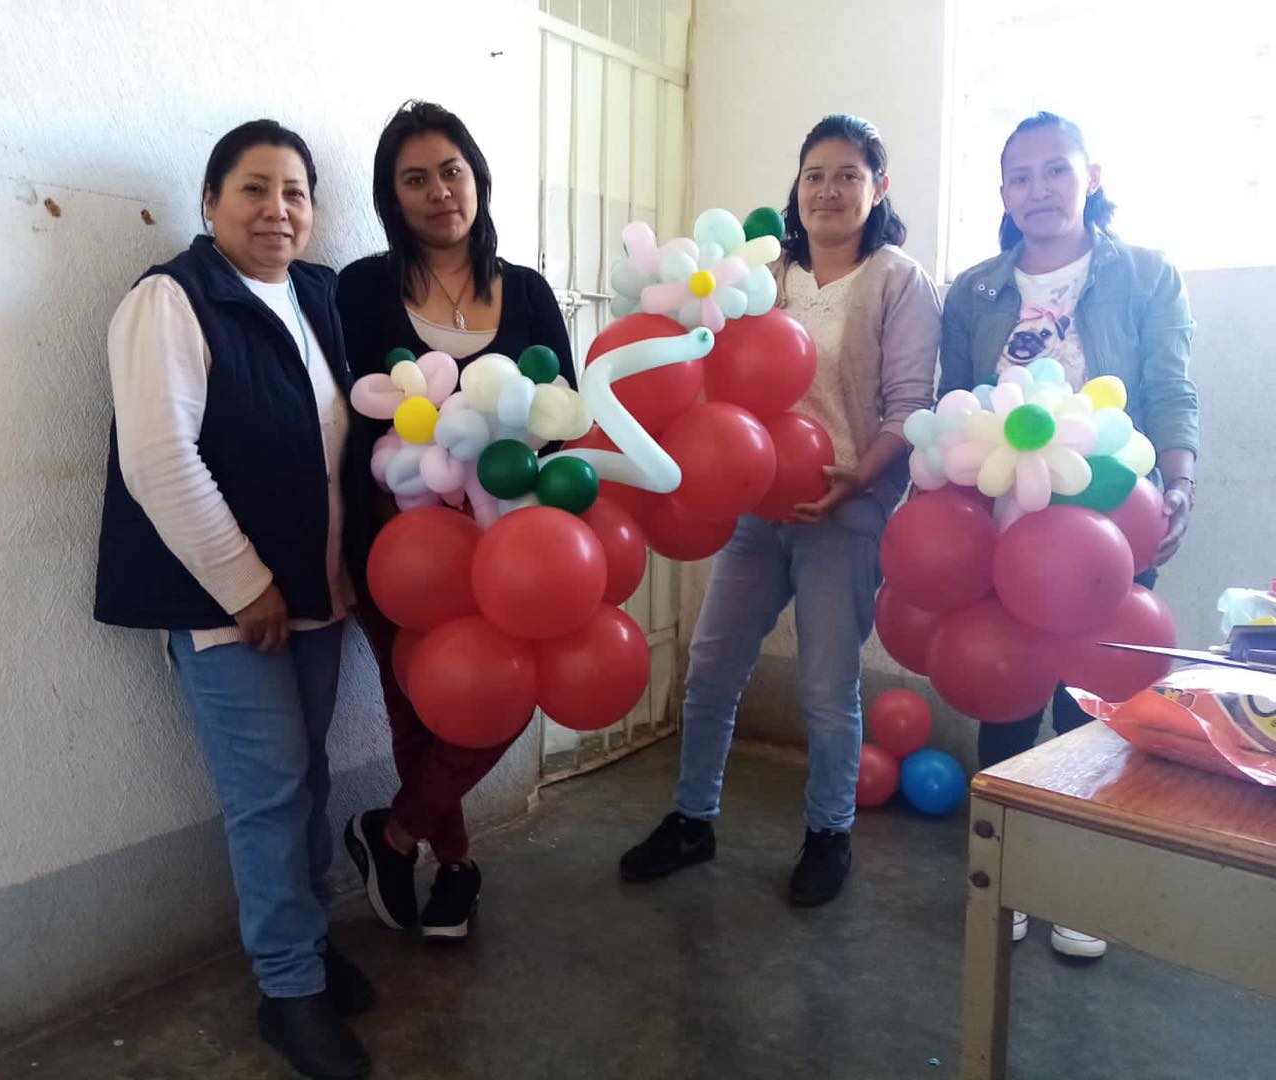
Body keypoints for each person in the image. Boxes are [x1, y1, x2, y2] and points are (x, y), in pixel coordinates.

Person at [92, 120, 374, 1080]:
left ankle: (312, 944)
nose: (277, 209)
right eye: (254, 189)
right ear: (209, 203)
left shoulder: (318, 297)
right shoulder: (172, 300)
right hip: (231, 606)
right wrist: (246, 583)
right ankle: (286, 992)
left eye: (294, 192)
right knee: (268, 798)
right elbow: (159, 459)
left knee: (311, 785)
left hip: (318, 596)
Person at [617, 115, 941, 906]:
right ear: (796, 188)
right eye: (814, 175)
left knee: (827, 690)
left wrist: (855, 482)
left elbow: (909, 410)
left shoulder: (899, 280)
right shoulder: (764, 276)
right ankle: (693, 819)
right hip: (757, 511)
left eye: (848, 174)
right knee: (713, 667)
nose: (829, 190)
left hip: (846, 512)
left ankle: (829, 833)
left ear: (879, 187)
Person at [940, 111, 1199, 958]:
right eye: (1020, 176)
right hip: (1002, 523)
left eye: (1056, 170)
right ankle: (1005, 878)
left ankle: (1083, 889)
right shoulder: (975, 289)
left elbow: (1170, 390)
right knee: (1006, 693)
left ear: (1091, 176)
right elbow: (951, 409)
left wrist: (1180, 479)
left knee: (1094, 705)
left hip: (1111, 520)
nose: (1038, 190)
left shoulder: (1146, 275)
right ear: (1003, 193)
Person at [337, 100, 575, 941]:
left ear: (477, 178)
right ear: (390, 197)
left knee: (498, 700)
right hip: (398, 549)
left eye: (451, 172)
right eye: (415, 179)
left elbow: (560, 419)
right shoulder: (363, 289)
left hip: (511, 550)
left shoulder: (532, 292)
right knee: (417, 710)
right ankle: (458, 868)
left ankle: (392, 834)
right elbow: (351, 420)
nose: (439, 192)